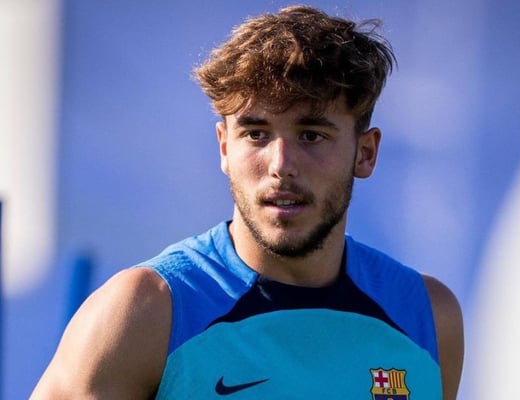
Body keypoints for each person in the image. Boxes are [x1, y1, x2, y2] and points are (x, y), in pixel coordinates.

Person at [31, 5, 463, 399]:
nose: (281, 165)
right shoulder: (145, 311)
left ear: (365, 153)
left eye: (311, 135)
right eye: (256, 134)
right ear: (224, 147)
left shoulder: (428, 316)